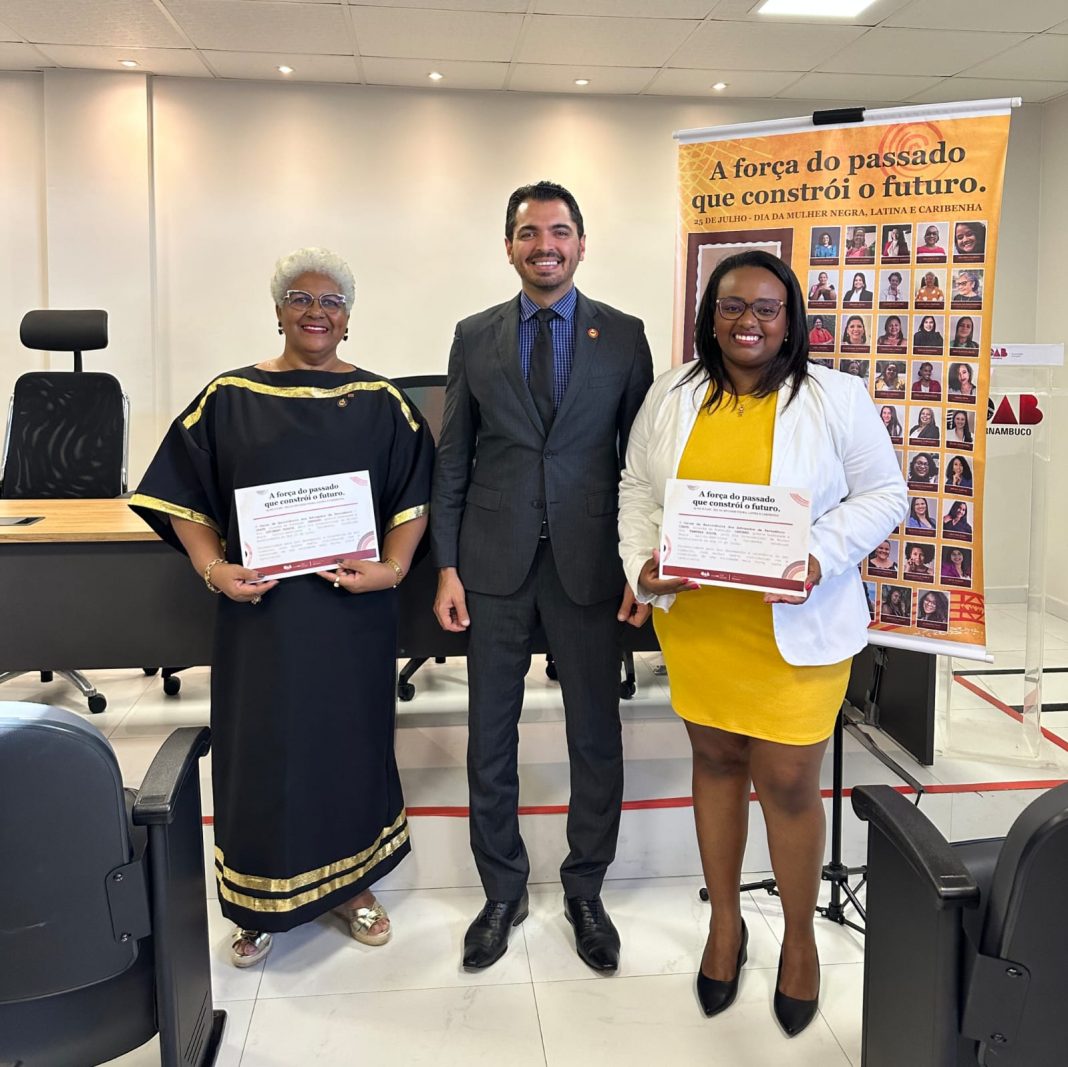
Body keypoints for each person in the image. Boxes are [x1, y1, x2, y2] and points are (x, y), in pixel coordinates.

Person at [618, 249, 906, 1036]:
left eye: (766, 308)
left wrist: (818, 554)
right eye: (732, 306)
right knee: (714, 761)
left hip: (797, 625)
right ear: (710, 316)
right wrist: (640, 564)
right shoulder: (672, 393)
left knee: (786, 782)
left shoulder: (837, 397)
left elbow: (887, 493)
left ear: (790, 321)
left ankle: (800, 942)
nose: (748, 321)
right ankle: (725, 925)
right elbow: (637, 488)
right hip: (702, 623)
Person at [130, 248, 434, 967]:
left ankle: (352, 888)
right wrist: (213, 569)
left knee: (348, 745)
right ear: (277, 311)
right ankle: (256, 901)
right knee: (260, 753)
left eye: (331, 301)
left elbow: (415, 500)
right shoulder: (229, 397)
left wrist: (392, 569)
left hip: (351, 616)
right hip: (260, 618)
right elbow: (181, 498)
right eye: (300, 298)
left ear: (349, 318)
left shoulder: (383, 402)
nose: (315, 312)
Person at [431, 180, 654, 974]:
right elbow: (453, 457)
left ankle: (585, 887)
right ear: (509, 247)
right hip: (492, 563)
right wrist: (446, 565)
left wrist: (639, 566)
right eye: (529, 232)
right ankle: (503, 891)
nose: (545, 245)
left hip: (590, 564)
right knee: (490, 733)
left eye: (559, 231)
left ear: (582, 244)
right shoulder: (474, 335)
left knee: (595, 731)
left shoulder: (623, 336)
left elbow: (641, 465)